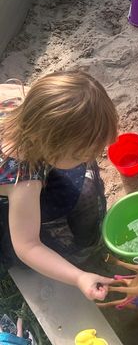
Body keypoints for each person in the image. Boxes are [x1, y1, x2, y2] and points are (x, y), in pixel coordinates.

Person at [0, 71, 119, 301]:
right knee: (80, 191)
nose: (92, 158)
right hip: (10, 196)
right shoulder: (24, 181)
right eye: (81, 154)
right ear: (48, 144)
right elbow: (27, 246)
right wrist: (78, 276)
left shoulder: (20, 97)